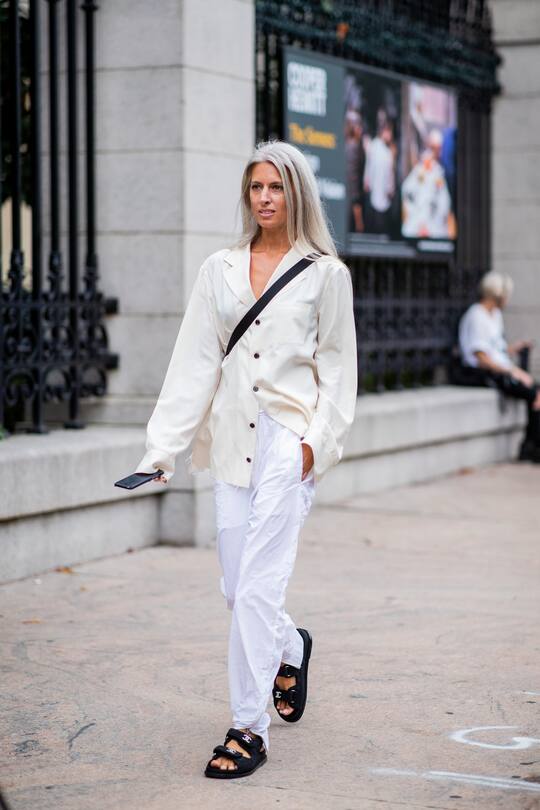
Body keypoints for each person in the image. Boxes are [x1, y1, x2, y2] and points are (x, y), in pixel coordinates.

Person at [134, 140, 358, 777]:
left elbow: (339, 371)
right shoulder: (220, 269)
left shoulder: (325, 275)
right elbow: (194, 364)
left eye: (276, 187)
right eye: (256, 187)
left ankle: (247, 727)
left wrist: (317, 444)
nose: (264, 198)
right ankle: (291, 646)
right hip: (231, 443)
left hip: (289, 444)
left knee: (259, 585)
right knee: (236, 587)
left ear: (297, 193)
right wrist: (162, 449)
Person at [457, 271, 540, 462]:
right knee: (534, 393)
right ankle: (531, 446)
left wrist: (514, 349)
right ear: (498, 295)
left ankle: (530, 444)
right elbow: (481, 357)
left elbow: (496, 349)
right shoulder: (476, 316)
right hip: (484, 373)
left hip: (501, 369)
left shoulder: (495, 315)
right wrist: (513, 371)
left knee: (536, 391)